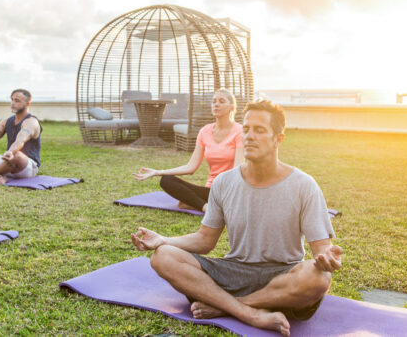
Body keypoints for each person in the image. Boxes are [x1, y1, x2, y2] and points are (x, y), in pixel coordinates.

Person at [131, 100, 342, 336]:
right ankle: (249, 313)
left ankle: (227, 306)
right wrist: (163, 240)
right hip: (233, 271)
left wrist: (327, 259)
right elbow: (204, 241)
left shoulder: (304, 185)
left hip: (283, 276)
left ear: (278, 139)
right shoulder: (224, 182)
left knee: (319, 278)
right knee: (163, 257)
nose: (249, 136)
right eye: (246, 129)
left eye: (260, 130)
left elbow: (322, 250)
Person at [133, 88, 244, 212]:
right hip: (210, 191)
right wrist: (157, 172)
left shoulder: (240, 131)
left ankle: (199, 203)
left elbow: (237, 172)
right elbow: (191, 167)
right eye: (214, 101)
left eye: (222, 101)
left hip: (230, 190)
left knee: (189, 201)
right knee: (166, 180)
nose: (216, 104)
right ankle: (206, 207)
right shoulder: (205, 131)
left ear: (232, 107)